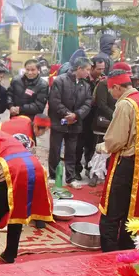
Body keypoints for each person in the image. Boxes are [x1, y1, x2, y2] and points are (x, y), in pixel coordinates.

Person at [98, 70, 139, 252]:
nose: (112, 95)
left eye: (111, 91)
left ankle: (109, 252)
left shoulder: (125, 104)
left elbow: (115, 141)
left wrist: (101, 148)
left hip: (126, 163)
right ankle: (127, 248)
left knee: (112, 210)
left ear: (117, 87)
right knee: (134, 209)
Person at [0, 129, 53, 266]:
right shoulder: (0, 134)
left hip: (12, 171)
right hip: (35, 168)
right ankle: (10, 254)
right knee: (18, 211)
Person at [48, 57, 93, 188]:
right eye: (87, 70)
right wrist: (67, 114)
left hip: (75, 123)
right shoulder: (60, 80)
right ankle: (52, 175)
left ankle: (70, 177)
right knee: (55, 150)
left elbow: (88, 103)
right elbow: (54, 101)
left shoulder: (86, 85)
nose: (88, 73)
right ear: (79, 69)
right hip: (59, 121)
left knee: (72, 151)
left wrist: (76, 115)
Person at [75, 57, 107, 180]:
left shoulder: (103, 80)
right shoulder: (83, 79)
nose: (101, 71)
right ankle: (77, 170)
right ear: (91, 68)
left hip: (94, 118)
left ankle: (90, 168)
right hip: (82, 116)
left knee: (91, 145)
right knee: (78, 146)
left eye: (103, 69)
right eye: (98, 69)